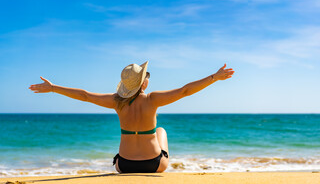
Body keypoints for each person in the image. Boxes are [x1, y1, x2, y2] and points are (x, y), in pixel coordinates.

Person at [29, 62, 235, 173]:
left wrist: (53, 88)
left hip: (123, 165)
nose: (148, 78)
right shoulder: (153, 100)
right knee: (160, 130)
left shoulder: (116, 101)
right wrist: (214, 77)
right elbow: (184, 91)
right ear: (142, 84)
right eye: (146, 76)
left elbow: (84, 95)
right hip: (154, 165)